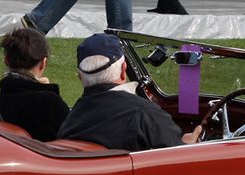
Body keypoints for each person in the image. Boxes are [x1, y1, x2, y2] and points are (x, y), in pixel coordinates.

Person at [56, 33, 202, 150]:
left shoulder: (70, 119)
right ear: (124, 70)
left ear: (80, 77)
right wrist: (186, 146)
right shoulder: (144, 113)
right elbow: (176, 161)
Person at [0, 26, 69, 141]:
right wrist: (47, 90)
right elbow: (70, 139)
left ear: (6, 60)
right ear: (43, 63)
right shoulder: (50, 102)